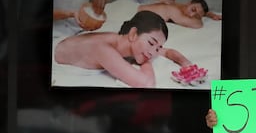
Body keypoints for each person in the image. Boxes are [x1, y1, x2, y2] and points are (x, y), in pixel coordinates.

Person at [53, 10, 191, 88]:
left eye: (157, 47)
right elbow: (146, 84)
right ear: (133, 34)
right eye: (151, 43)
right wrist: (146, 62)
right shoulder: (104, 49)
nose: (153, 52)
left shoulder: (127, 42)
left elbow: (167, 51)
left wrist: (186, 64)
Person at [138, 0, 222, 29]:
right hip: (136, 13)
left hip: (141, 9)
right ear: (189, 2)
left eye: (196, 15)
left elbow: (197, 11)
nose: (191, 15)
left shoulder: (182, 6)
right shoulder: (176, 12)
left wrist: (212, 15)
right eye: (193, 10)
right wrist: (200, 16)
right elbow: (198, 25)